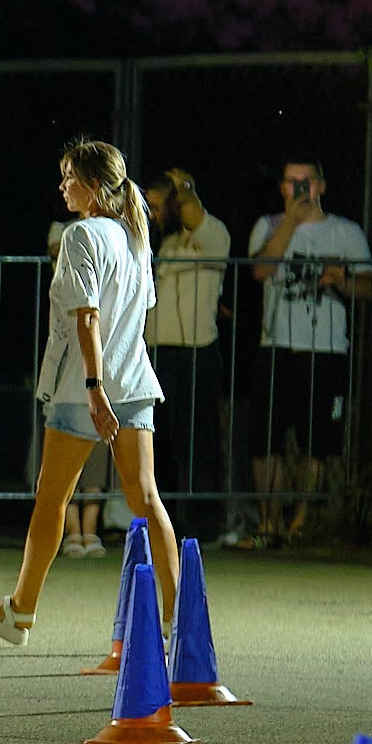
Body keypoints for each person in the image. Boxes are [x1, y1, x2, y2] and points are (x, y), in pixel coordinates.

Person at [0, 139, 178, 645]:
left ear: (95, 186)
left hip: (85, 388)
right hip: (135, 379)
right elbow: (139, 311)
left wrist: (93, 387)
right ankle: (178, 619)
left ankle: (20, 611)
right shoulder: (136, 238)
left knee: (50, 499)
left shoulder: (82, 236)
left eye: (69, 178)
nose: (62, 186)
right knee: (146, 496)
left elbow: (86, 318)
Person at [247, 158, 372, 546]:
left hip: (326, 348)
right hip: (277, 344)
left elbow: (367, 288)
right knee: (265, 438)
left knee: (316, 441)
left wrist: (342, 280)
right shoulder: (268, 225)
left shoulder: (345, 231)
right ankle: (269, 521)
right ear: (283, 188)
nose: (300, 190)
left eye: (307, 182)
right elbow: (260, 271)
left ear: (321, 185)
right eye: (292, 183)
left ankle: (301, 521)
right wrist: (290, 222)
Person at [143, 167, 230, 542]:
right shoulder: (152, 245)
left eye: (161, 206)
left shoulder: (212, 234)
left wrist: (185, 190)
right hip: (157, 350)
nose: (154, 214)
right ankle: (159, 522)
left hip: (197, 349)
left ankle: (201, 523)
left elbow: (195, 214)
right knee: (158, 440)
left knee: (198, 440)